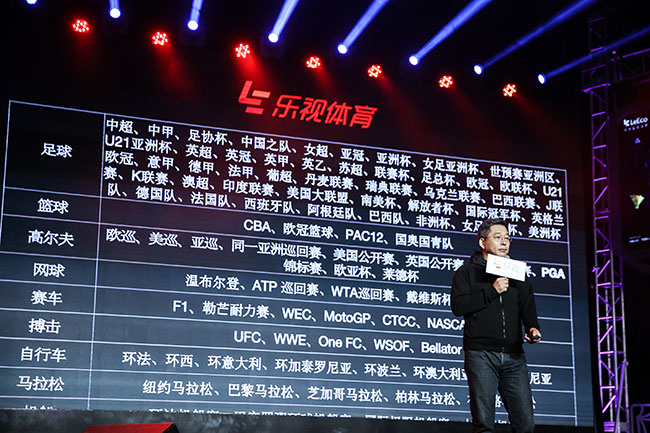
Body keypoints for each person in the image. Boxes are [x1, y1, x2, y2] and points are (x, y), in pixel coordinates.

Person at [451, 218, 542, 433]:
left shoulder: (517, 272)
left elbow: (526, 305)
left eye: (507, 238)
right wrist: (492, 290)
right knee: (484, 423)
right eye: (498, 237)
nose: (504, 242)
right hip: (481, 354)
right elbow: (459, 306)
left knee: (525, 424)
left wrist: (532, 327)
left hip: (514, 356)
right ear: (482, 242)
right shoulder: (467, 272)